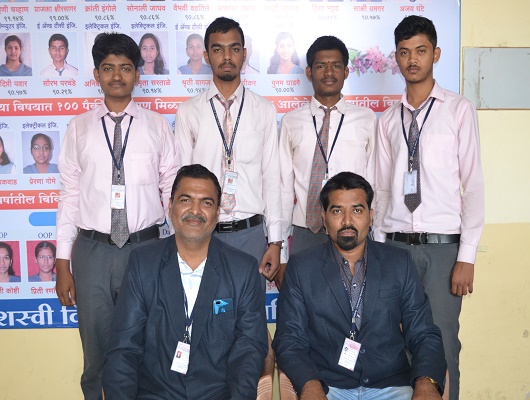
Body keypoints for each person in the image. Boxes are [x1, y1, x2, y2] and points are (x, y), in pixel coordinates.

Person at [55, 32, 179, 400]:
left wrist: (177, 251)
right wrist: (62, 262)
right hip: (92, 252)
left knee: (148, 347)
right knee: (96, 354)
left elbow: (172, 190)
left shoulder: (158, 126)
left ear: (137, 74)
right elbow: (69, 194)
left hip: (146, 250)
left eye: (125, 68)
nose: (117, 76)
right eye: (108, 68)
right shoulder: (79, 128)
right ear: (96, 74)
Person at [374, 16, 484, 400]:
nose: (412, 60)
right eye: (404, 52)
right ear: (396, 58)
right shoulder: (388, 120)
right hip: (395, 249)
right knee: (396, 343)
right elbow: (382, 191)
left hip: (442, 250)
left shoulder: (458, 110)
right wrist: (378, 251)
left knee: (443, 343)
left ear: (435, 54)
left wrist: (466, 255)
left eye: (420, 51)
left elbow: (474, 186)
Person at [273, 172, 446, 400]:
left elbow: (424, 333)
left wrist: (426, 383)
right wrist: (310, 385)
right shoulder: (302, 267)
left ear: (371, 216)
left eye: (357, 210)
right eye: (337, 211)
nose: (347, 221)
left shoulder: (399, 263)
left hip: (391, 386)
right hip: (329, 387)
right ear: (324, 218)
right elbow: (289, 339)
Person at [174, 16, 283, 382]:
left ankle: (255, 390)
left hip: (250, 236)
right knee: (203, 322)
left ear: (244, 54)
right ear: (206, 55)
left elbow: (273, 177)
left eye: (234, 49)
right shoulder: (189, 111)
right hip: (202, 236)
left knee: (252, 328)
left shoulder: (263, 110)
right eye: (218, 49)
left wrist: (275, 241)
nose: (226, 57)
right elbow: (180, 183)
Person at [103, 164, 268, 399]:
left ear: (218, 212)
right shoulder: (143, 264)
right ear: (170, 206)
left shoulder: (243, 269)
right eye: (186, 200)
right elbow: (124, 349)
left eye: (206, 203)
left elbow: (249, 348)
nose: (195, 210)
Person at [278, 35, 377, 286]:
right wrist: (280, 250)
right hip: (306, 231)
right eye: (321, 65)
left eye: (336, 65)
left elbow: (375, 181)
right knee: (304, 299)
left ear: (346, 71)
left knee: (354, 300)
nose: (329, 72)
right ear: (309, 72)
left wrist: (377, 238)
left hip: (353, 231)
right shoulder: (291, 121)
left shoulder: (367, 119)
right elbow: (283, 188)